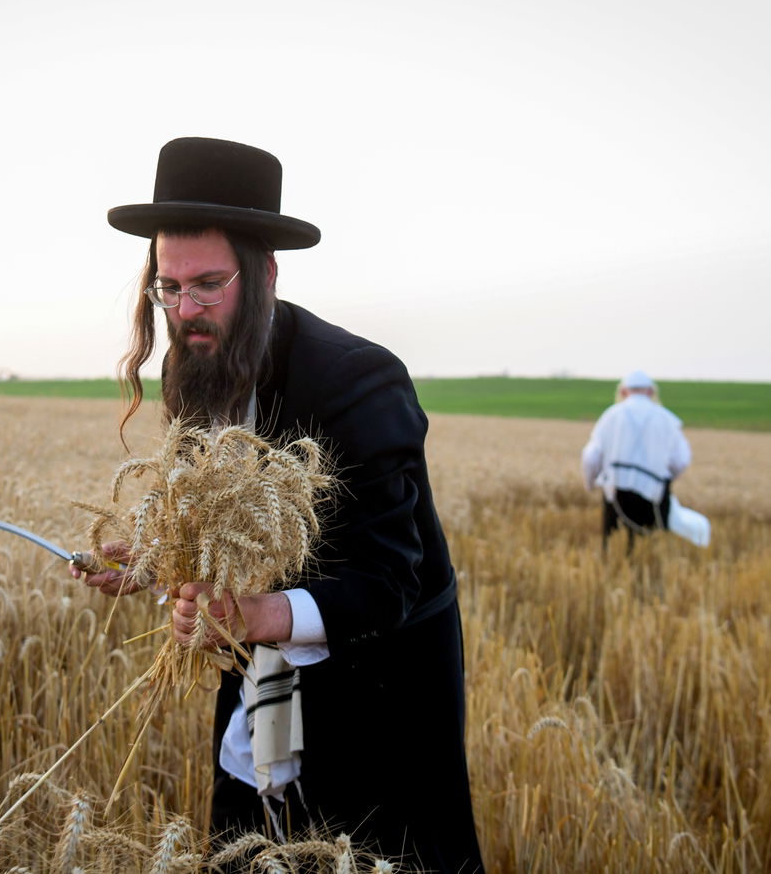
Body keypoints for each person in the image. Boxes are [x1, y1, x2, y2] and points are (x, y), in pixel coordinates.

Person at [69, 137, 486, 873]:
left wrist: (259, 613)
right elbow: (216, 519)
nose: (185, 310)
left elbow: (390, 580)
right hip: (256, 681)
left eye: (207, 283)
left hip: (380, 694)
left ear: (264, 273)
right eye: (167, 287)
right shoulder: (188, 364)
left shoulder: (361, 381)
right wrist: (157, 562)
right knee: (248, 848)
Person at [580, 370, 693, 553]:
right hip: (655, 493)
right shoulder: (666, 418)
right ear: (650, 392)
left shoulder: (611, 416)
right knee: (650, 544)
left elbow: (591, 456)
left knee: (613, 543)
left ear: (624, 392)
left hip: (616, 491)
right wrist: (664, 480)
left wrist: (590, 483)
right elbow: (680, 460)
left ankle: (614, 570)